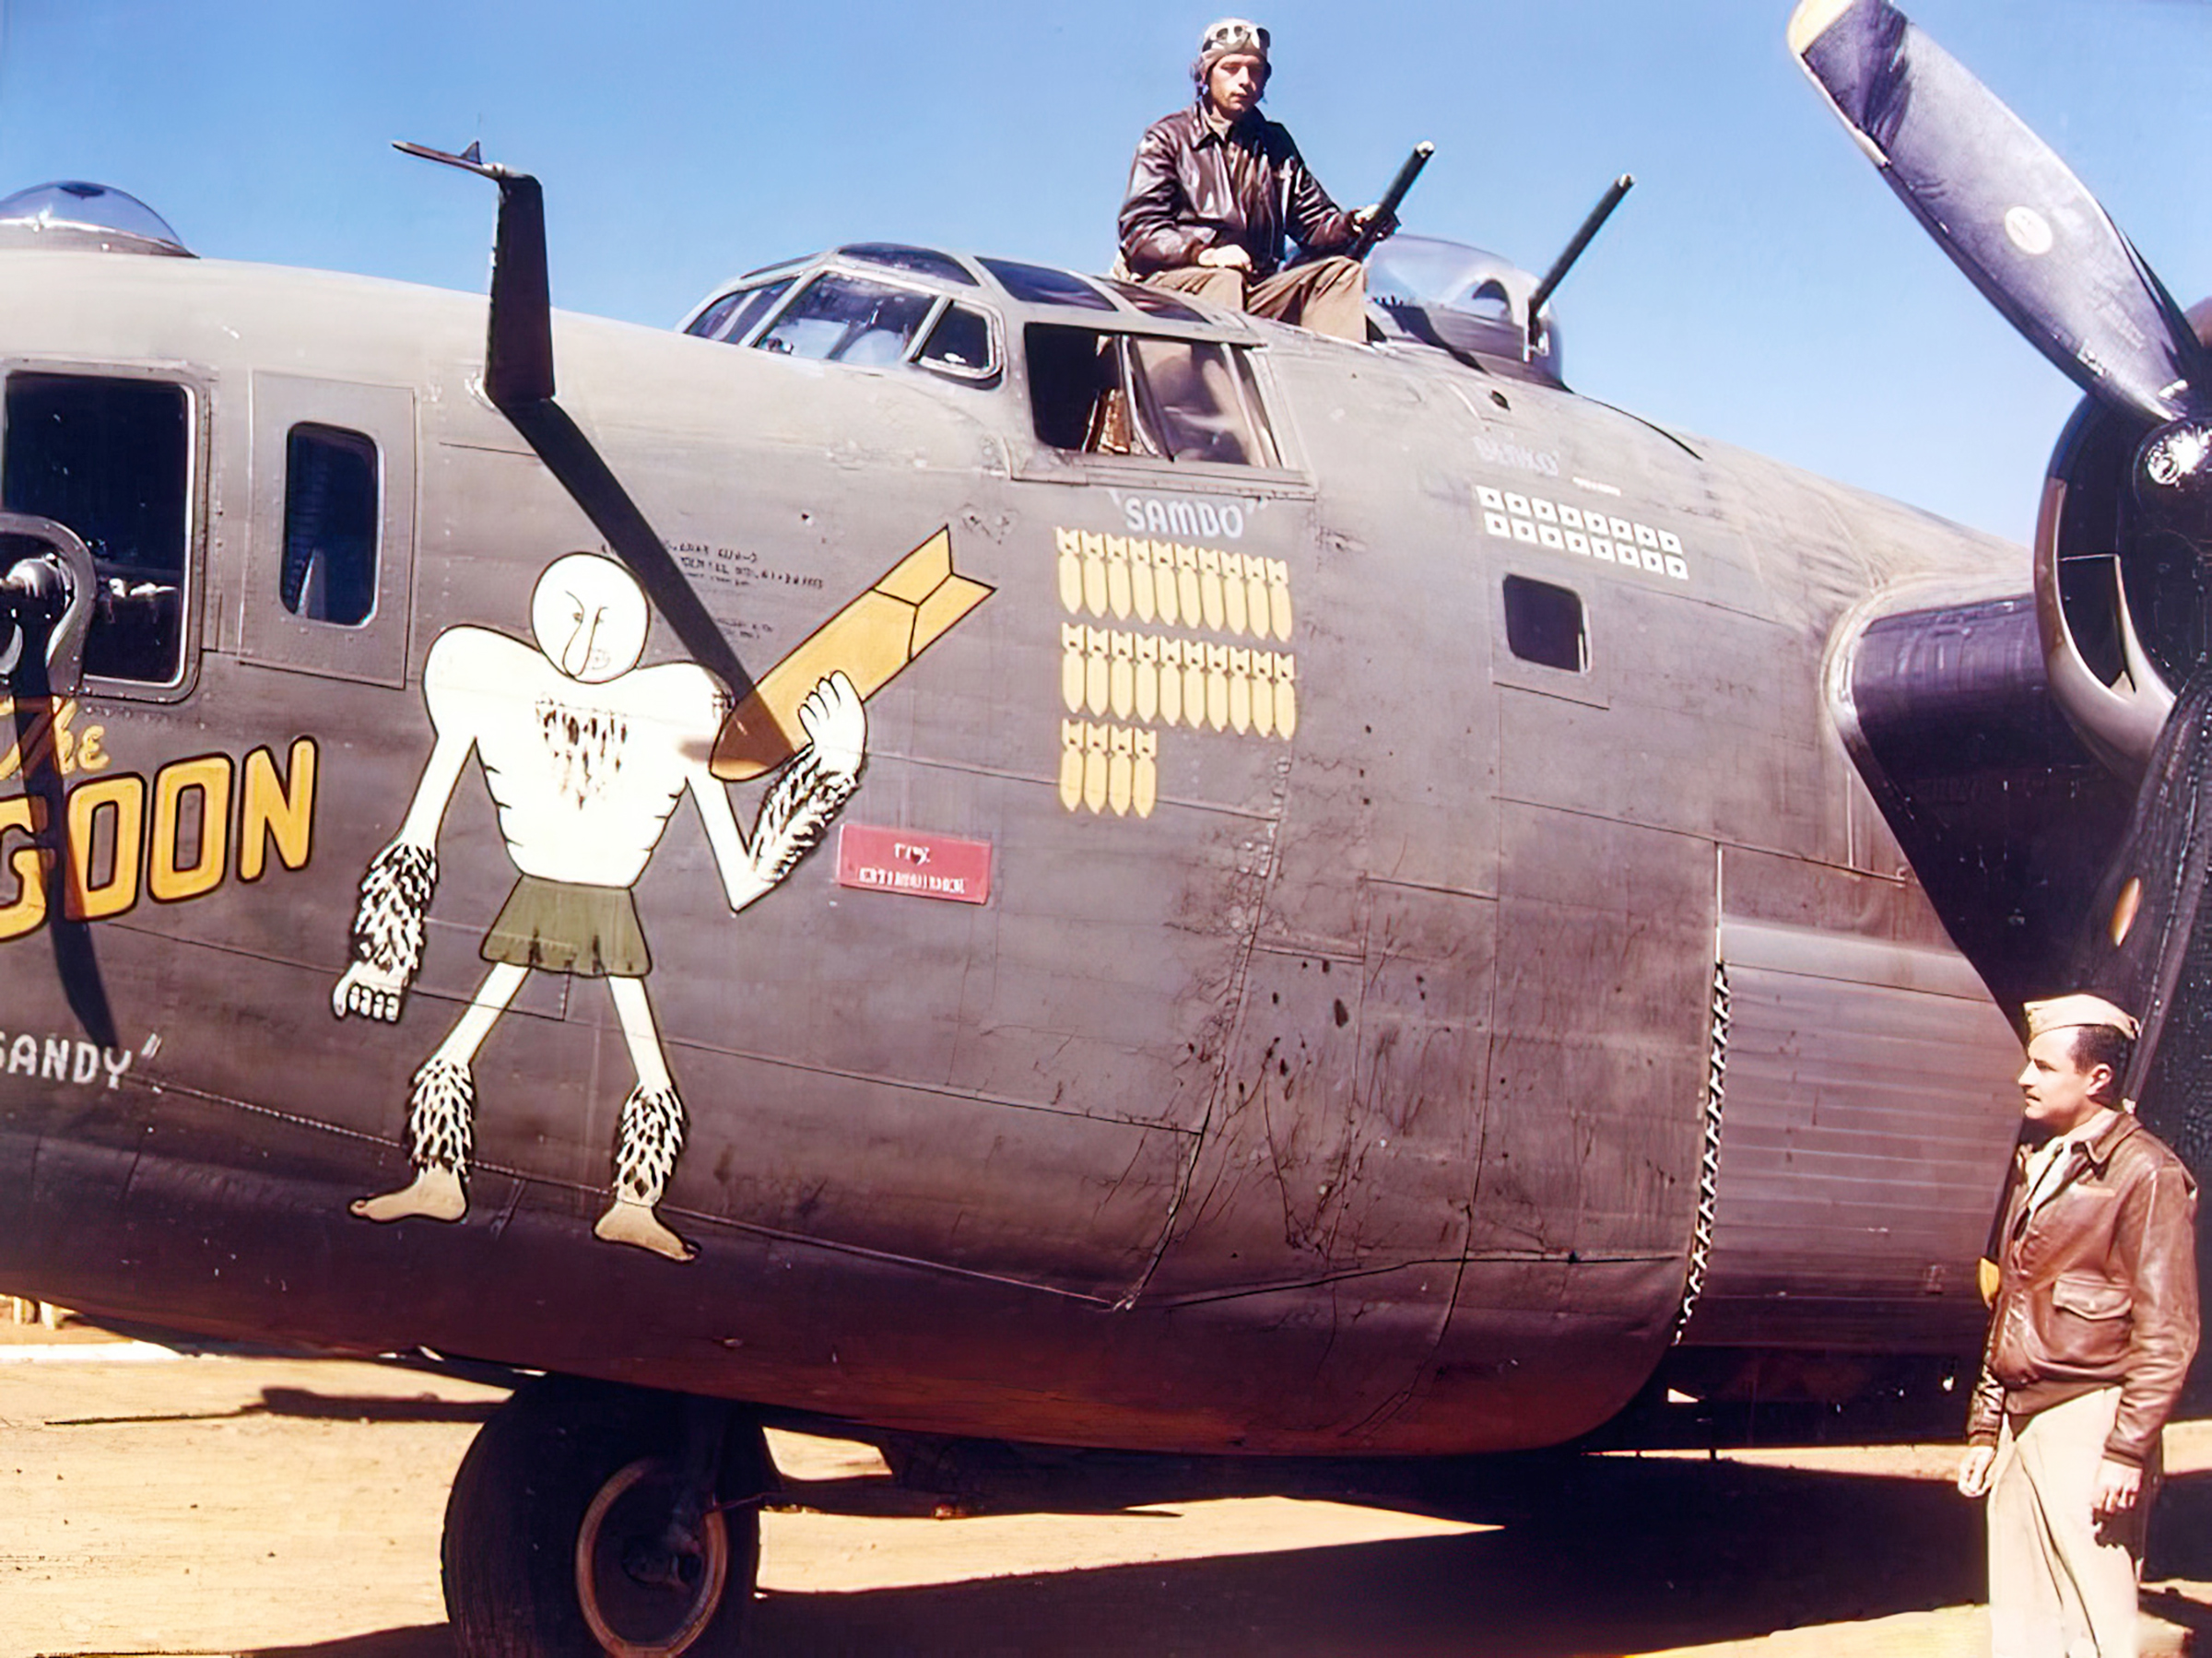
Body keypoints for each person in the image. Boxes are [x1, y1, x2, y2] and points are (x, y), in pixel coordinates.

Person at [1958, 993, 2199, 1658]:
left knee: (2096, 1622)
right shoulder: (2043, 1163)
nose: (2024, 1077)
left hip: (2089, 1419)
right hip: (2021, 1420)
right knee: (2023, 1624)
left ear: (2098, 1079)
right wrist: (1986, 1425)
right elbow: (2012, 1302)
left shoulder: (2146, 1172)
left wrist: (2127, 1447)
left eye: (2042, 1065)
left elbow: (2168, 1329)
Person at [1117, 18, 1392, 342]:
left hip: (1256, 289)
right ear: (1205, 74)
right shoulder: (1167, 138)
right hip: (1177, 290)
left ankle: (1341, 384)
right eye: (1231, 69)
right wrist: (1204, 254)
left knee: (1340, 275)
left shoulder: (1275, 145)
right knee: (1223, 281)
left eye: (1255, 70)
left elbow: (1315, 224)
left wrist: (1355, 223)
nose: (1245, 81)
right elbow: (1140, 232)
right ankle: (1210, 390)